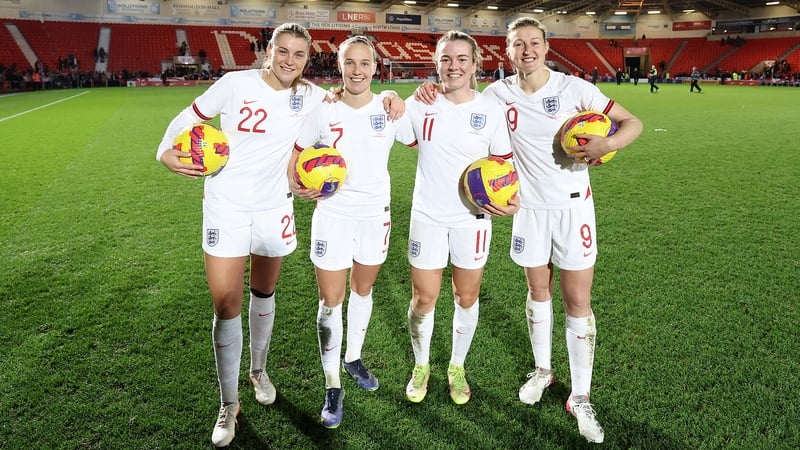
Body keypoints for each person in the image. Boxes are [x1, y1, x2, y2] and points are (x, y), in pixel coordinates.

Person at [155, 23, 402, 447]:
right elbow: (190, 115)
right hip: (225, 205)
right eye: (282, 51)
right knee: (226, 304)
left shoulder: (310, 97)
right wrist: (164, 149)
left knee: (264, 293)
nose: (290, 60)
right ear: (268, 51)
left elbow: (344, 101)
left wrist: (391, 96)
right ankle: (228, 403)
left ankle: (258, 371)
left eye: (299, 54)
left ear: (309, 59)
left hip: (274, 208)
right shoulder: (234, 84)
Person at [411, 17, 643, 443]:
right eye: (519, 44)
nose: (527, 50)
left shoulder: (575, 89)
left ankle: (581, 396)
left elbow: (633, 124)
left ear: (546, 45)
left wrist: (608, 144)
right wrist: (424, 88)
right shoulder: (497, 95)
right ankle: (543, 371)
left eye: (534, 43)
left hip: (573, 210)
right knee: (538, 293)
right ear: (508, 50)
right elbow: (456, 103)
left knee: (577, 299)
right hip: (527, 211)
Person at [289, 36, 414, 429]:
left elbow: (421, 139)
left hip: (376, 215)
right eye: (350, 63)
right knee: (331, 299)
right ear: (339, 66)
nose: (357, 70)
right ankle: (332, 385)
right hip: (332, 214)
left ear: (376, 67)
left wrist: (399, 96)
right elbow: (295, 159)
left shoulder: (390, 110)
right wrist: (298, 187)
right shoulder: (322, 110)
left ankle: (353, 357)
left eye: (365, 63)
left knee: (363, 291)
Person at [403, 30, 518, 407]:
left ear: (474, 64)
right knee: (424, 298)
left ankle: (456, 365)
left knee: (465, 296)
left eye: (461, 59)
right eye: (446, 59)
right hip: (428, 216)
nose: (453, 66)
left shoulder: (489, 110)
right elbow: (386, 119)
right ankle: (421, 365)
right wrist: (390, 95)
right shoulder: (420, 104)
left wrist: (511, 200)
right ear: (437, 63)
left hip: (472, 219)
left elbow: (504, 165)